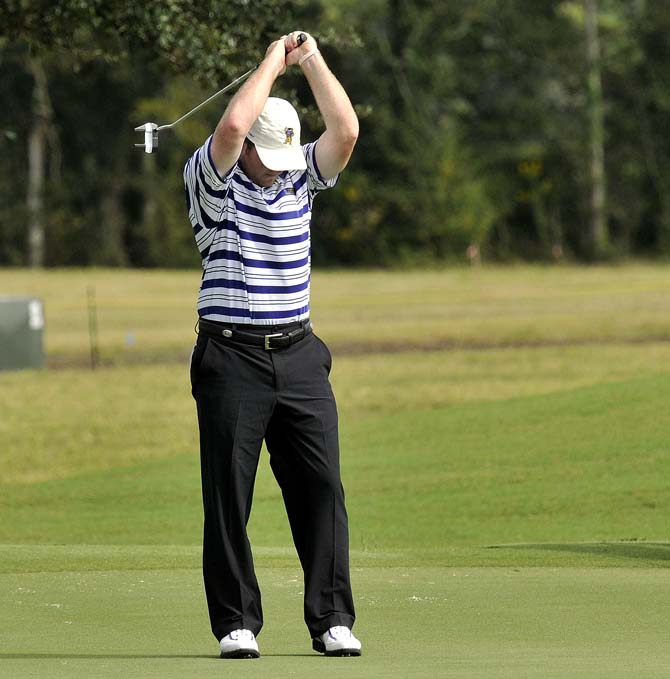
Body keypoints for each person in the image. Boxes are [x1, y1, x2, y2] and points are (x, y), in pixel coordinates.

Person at [183, 31, 361, 659]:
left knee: (322, 489)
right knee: (230, 493)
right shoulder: (213, 185)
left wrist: (309, 60)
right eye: (265, 153)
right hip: (231, 357)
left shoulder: (298, 180)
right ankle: (236, 622)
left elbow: (346, 130)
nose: (276, 166)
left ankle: (332, 619)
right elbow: (232, 128)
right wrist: (270, 63)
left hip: (301, 354)